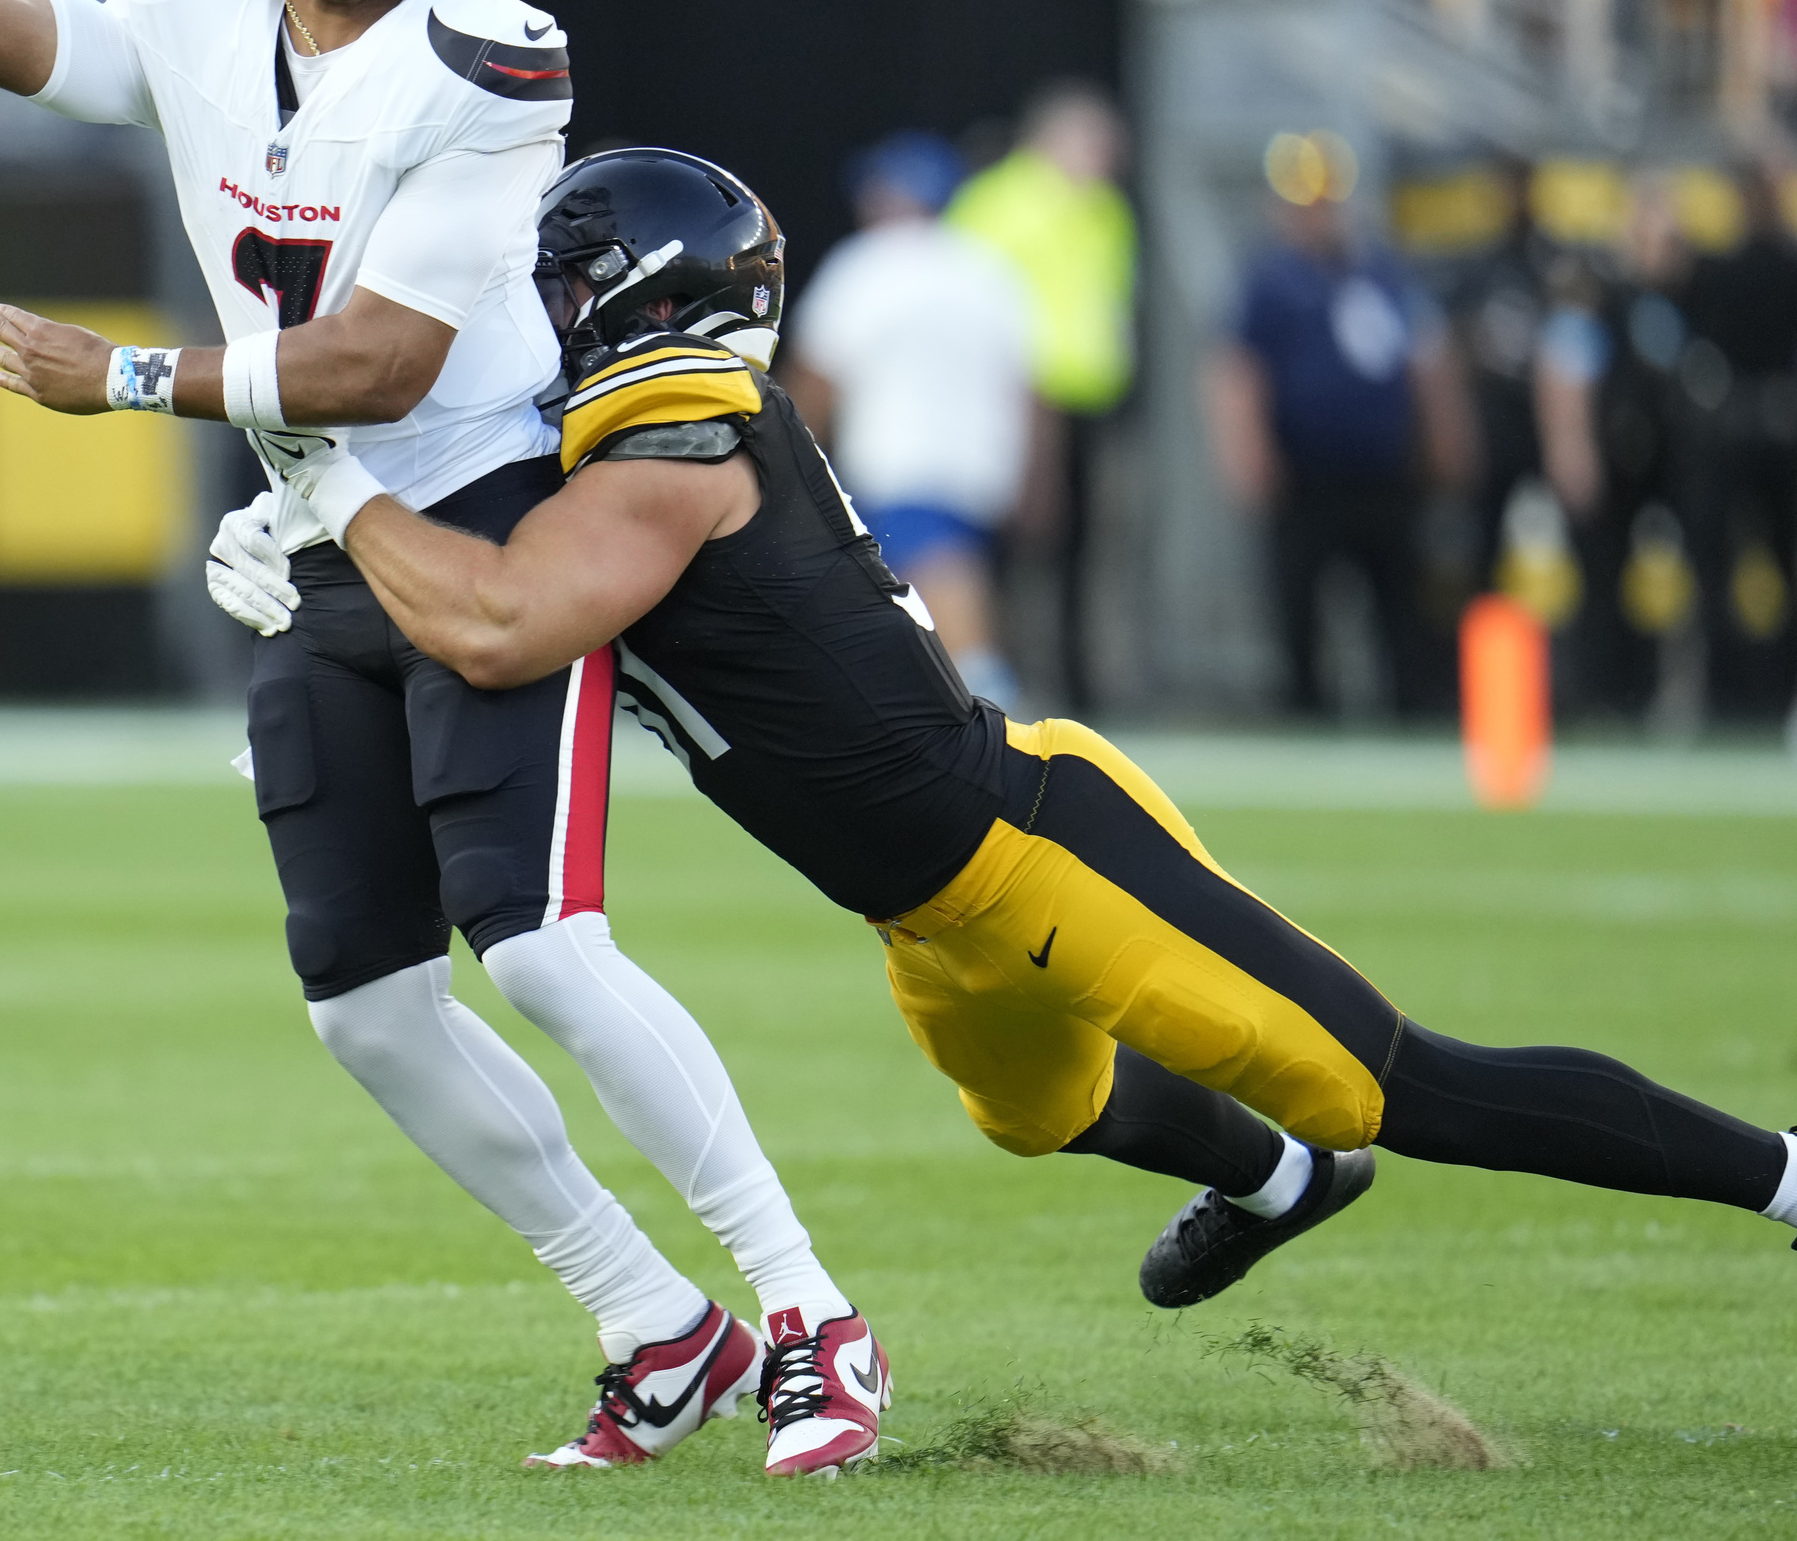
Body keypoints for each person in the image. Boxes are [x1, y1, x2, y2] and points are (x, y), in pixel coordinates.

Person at [0, 0, 878, 1476]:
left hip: (482, 505)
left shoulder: (490, 49)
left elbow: (381, 364)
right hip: (323, 525)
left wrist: (122, 381)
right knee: (363, 1005)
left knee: (547, 948)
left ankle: (810, 1307)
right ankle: (655, 1319)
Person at [248, 146, 1797, 1310]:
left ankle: (1783, 1176)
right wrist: (333, 577)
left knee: (1405, 1081)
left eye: (564, 287)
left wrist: (337, 498)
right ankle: (1279, 1180)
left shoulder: (679, 435)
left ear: (646, 297)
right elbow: (495, 597)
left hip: (1034, 850)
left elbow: (507, 617)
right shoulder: (615, 443)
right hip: (920, 908)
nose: (539, 318)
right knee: (1042, 1110)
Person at [1206, 160, 1475, 715]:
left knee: (1402, 603)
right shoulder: (1270, 280)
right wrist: (1247, 452)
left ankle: (1408, 706)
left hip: (1385, 470)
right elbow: (1237, 371)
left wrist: (1446, 437)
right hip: (1307, 473)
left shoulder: (1382, 272)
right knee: (1300, 604)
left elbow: (1426, 361)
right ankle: (1305, 708)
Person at [785, 130, 1032, 709]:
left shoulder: (868, 263)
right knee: (939, 575)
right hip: (982, 465)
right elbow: (1026, 383)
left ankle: (985, 690)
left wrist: (787, 454)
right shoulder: (988, 268)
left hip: (897, 460)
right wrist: (1033, 475)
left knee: (932, 576)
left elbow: (818, 372)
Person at [947, 83, 1135, 711]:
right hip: (1012, 394)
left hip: (1083, 399)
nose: (1105, 157)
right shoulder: (998, 202)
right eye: (1092, 142)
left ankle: (1075, 684)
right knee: (999, 539)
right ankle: (989, 672)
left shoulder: (1106, 210)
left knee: (1078, 547)